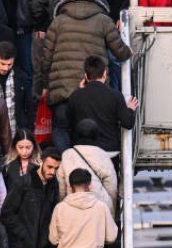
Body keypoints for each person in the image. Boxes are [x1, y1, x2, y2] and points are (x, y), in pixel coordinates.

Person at [34, 0, 132, 151]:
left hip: (62, 92)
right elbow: (121, 53)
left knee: (61, 129)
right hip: (93, 93)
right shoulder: (104, 21)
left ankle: (65, 167)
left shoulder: (58, 22)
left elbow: (46, 59)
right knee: (91, 134)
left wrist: (45, 85)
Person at [65, 56, 137, 154]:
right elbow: (128, 123)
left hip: (82, 152)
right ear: (104, 74)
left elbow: (69, 124)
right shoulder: (115, 96)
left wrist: (80, 91)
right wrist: (130, 109)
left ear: (86, 76)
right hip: (109, 152)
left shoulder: (75, 96)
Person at [58, 119, 118, 214]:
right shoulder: (102, 155)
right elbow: (112, 187)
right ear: (96, 135)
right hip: (99, 206)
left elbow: (61, 187)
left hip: (73, 205)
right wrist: (111, 208)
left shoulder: (67, 155)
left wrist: (63, 203)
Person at [0, 41, 33, 140]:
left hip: (16, 136)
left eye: (9, 64)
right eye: (2, 63)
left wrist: (27, 132)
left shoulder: (21, 77)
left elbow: (30, 106)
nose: (5, 68)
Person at [1, 129, 40, 194]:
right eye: (20, 147)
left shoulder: (40, 165)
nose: (24, 151)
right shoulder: (7, 166)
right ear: (15, 146)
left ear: (34, 147)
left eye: (28, 147)